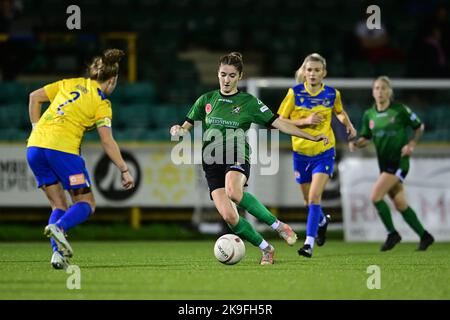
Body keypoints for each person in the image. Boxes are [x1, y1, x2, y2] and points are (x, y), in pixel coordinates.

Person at [170, 52, 329, 265]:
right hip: (211, 161)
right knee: (229, 217)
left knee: (234, 192)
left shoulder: (249, 102)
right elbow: (185, 127)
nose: (226, 80)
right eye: (223, 75)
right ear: (218, 74)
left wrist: (310, 135)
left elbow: (279, 123)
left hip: (237, 154)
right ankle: (267, 249)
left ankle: (278, 226)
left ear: (240, 76)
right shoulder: (206, 100)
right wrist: (178, 130)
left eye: (232, 75)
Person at [26, 49, 135, 269]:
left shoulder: (69, 83)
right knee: (86, 204)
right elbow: (107, 141)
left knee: (58, 204)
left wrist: (37, 129)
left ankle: (58, 256)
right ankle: (61, 227)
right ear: (112, 80)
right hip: (63, 150)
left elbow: (34, 97)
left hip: (34, 147)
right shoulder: (101, 103)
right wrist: (123, 169)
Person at [277, 53, 357, 258]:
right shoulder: (294, 94)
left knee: (314, 197)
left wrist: (347, 124)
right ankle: (322, 221)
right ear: (304, 72)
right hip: (301, 154)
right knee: (308, 200)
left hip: (324, 152)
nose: (312, 74)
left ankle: (308, 244)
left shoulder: (332, 94)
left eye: (316, 70)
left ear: (324, 73)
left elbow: (339, 111)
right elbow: (279, 120)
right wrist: (305, 121)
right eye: (309, 70)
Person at [349, 76, 434, 251]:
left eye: (383, 88)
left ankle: (392, 234)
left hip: (399, 163)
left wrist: (411, 144)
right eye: (377, 88)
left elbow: (419, 127)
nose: (380, 91)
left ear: (390, 92)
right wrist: (357, 143)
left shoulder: (400, 110)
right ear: (373, 92)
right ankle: (425, 236)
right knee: (400, 204)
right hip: (384, 164)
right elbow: (367, 137)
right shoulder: (369, 114)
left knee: (375, 197)